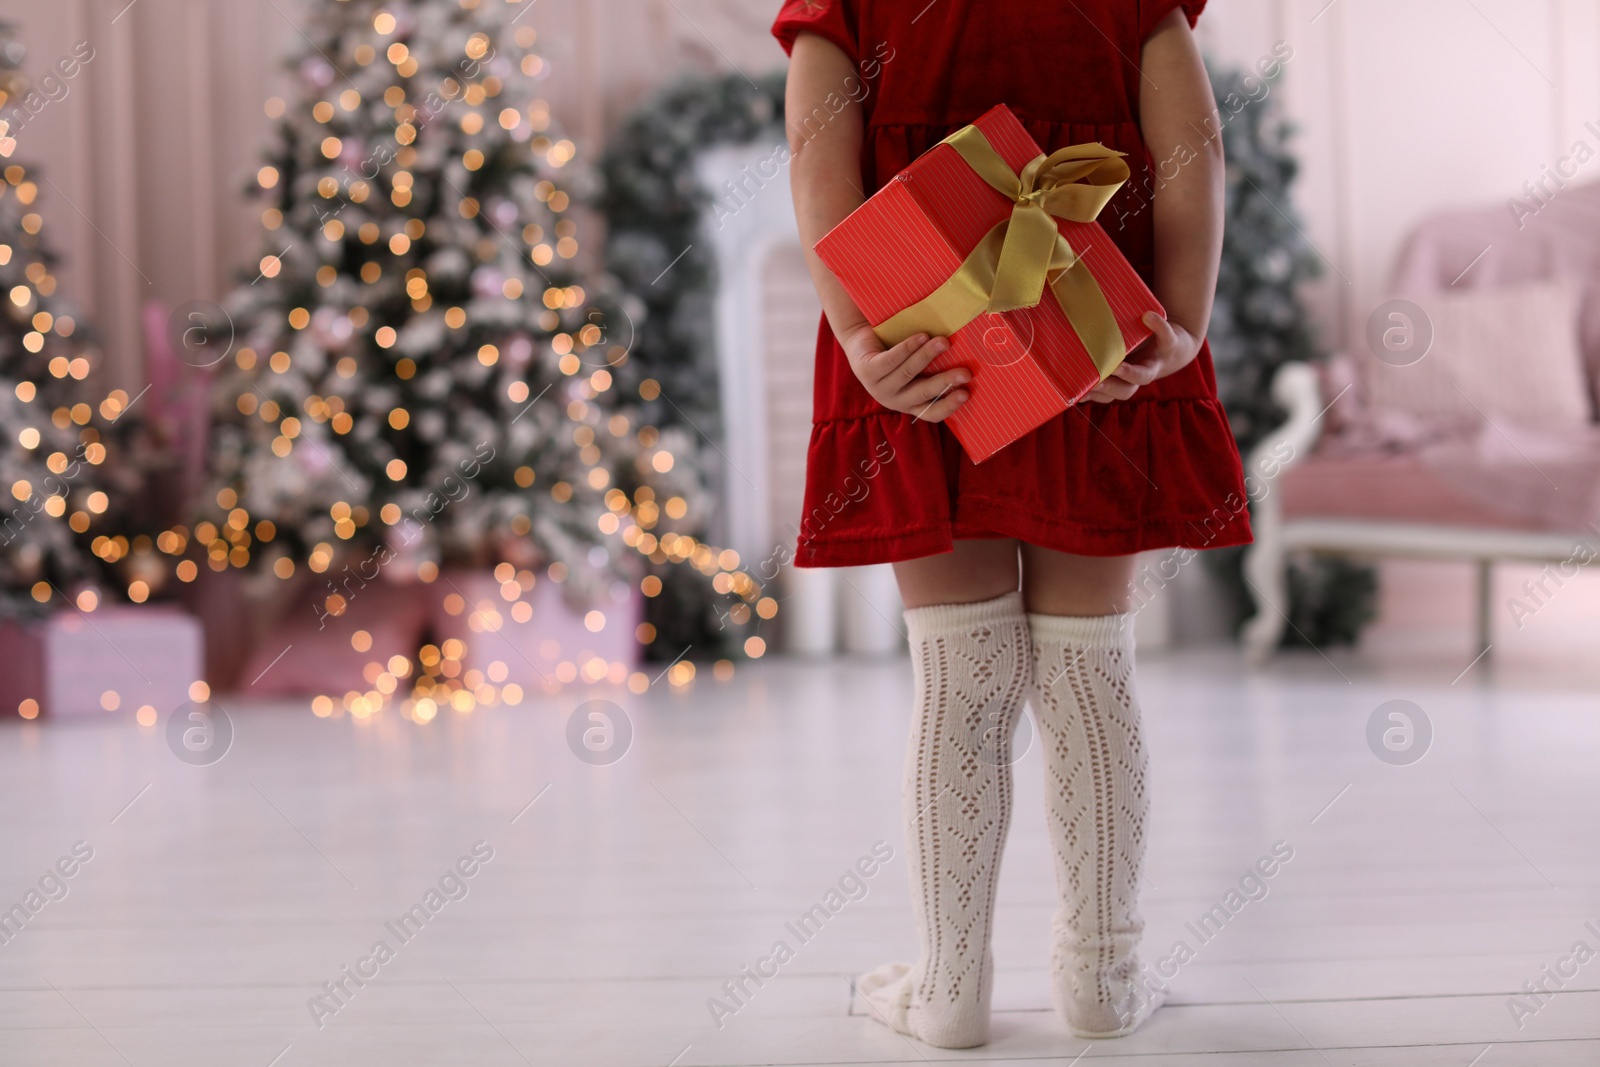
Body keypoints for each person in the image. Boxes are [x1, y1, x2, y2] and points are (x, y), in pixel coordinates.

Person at [774, 0, 1251, 1049]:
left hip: (923, 343)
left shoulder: (842, 6)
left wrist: (859, 336)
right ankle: (1101, 976)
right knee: (1087, 667)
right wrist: (1179, 321)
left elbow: (817, 164)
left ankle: (949, 987)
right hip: (1091, 333)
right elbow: (1194, 152)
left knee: (962, 673)